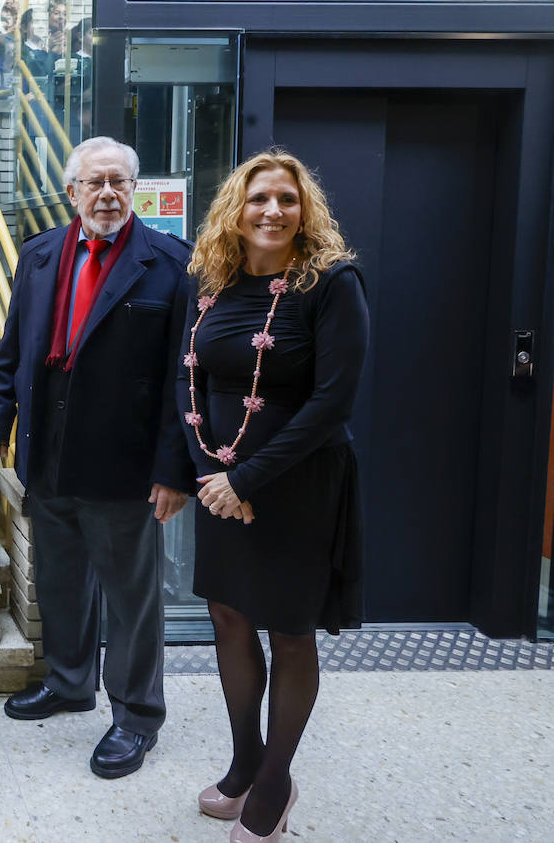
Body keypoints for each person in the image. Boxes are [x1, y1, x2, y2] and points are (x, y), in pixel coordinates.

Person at [0, 136, 194, 781]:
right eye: (94, 183)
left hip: (124, 465)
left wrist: (174, 468)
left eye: (118, 182)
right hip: (48, 453)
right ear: (71, 191)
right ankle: (71, 683)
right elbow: (14, 347)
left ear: (134, 188)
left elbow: (184, 381)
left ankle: (136, 716)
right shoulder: (40, 255)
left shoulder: (169, 264)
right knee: (61, 582)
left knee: (132, 599)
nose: (107, 194)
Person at [179, 150, 368, 842]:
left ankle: (275, 786)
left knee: (289, 632)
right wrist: (209, 469)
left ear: (304, 208)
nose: (273, 211)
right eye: (260, 198)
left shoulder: (332, 284)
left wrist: (247, 481)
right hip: (220, 480)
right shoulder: (213, 282)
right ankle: (245, 764)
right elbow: (187, 377)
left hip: (298, 484)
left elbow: (332, 403)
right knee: (229, 617)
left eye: (287, 199)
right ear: (237, 206)